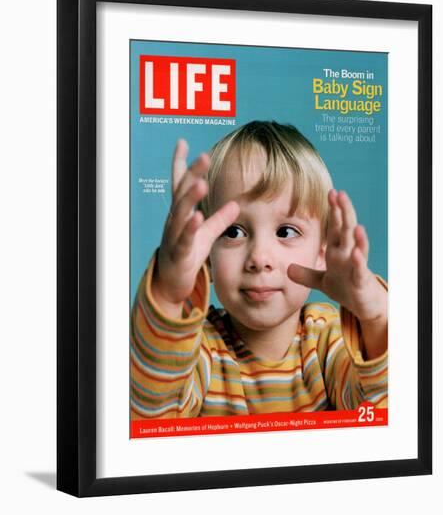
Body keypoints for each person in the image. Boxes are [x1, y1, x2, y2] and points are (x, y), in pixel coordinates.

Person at [130, 121, 387, 420]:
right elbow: (153, 417)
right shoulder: (200, 351)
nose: (259, 258)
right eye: (234, 232)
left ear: (322, 252)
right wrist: (169, 293)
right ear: (208, 257)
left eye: (287, 231)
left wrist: (376, 315)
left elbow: (376, 413)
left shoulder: (327, 340)